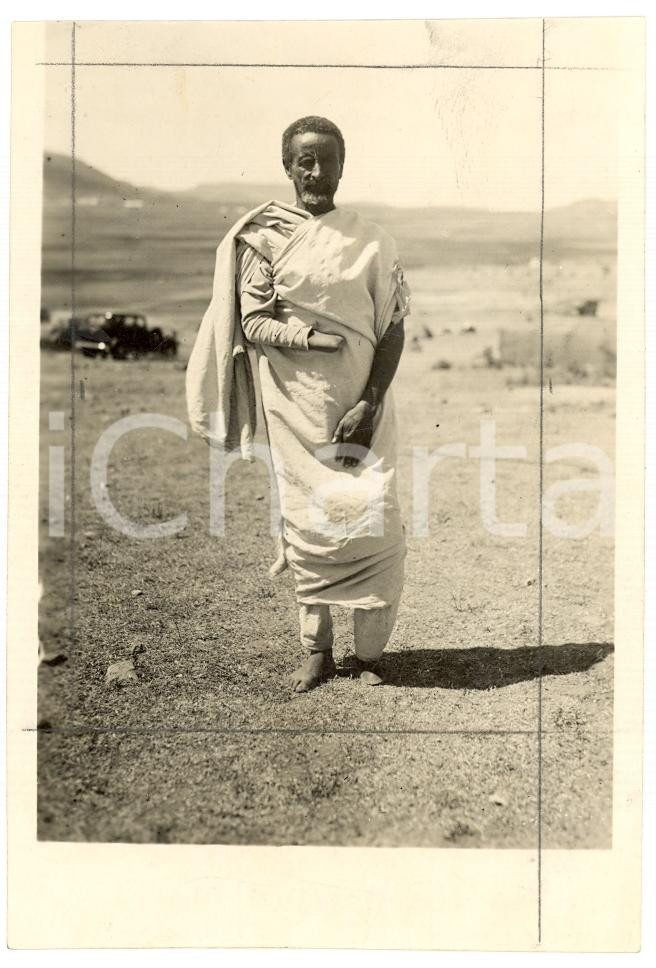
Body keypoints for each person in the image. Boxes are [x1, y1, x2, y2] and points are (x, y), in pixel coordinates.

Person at [186, 116, 410, 693]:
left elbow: (393, 328)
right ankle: (317, 652)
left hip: (366, 407)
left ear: (342, 164)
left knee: (372, 519)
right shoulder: (261, 239)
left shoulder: (373, 240)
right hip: (296, 407)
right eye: (304, 160)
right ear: (287, 167)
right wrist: (309, 339)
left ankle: (365, 658)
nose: (316, 171)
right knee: (309, 521)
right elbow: (254, 321)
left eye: (327, 159)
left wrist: (371, 401)